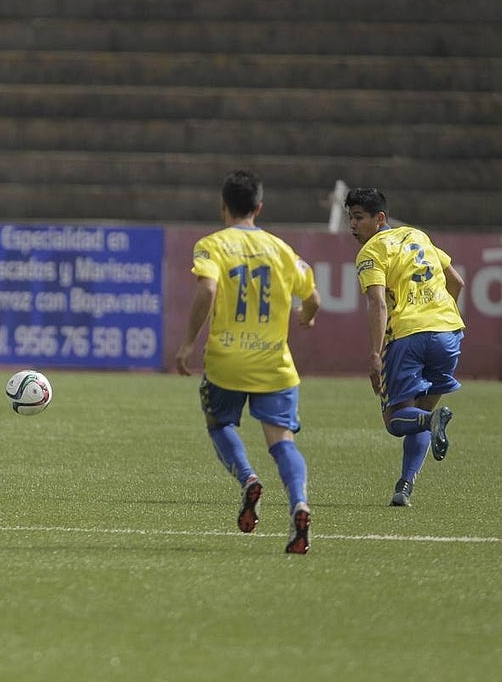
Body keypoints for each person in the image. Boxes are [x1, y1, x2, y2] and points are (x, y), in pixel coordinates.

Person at [175, 170, 320, 554]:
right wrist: (307, 317)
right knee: (282, 442)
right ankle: (299, 503)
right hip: (275, 363)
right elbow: (313, 297)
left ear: (223, 206)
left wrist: (187, 343)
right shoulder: (282, 250)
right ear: (259, 207)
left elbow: (207, 289)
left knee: (219, 423)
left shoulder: (211, 245)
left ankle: (248, 478)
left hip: (226, 361)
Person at [344, 187, 463, 507]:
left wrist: (375, 354)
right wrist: (440, 317)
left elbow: (378, 304)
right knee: (419, 413)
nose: (352, 225)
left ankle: (430, 423)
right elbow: (457, 282)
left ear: (379, 218)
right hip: (448, 333)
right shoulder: (417, 235)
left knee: (396, 420)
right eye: (350, 218)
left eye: (358, 217)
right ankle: (404, 486)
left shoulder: (371, 252)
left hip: (408, 337)